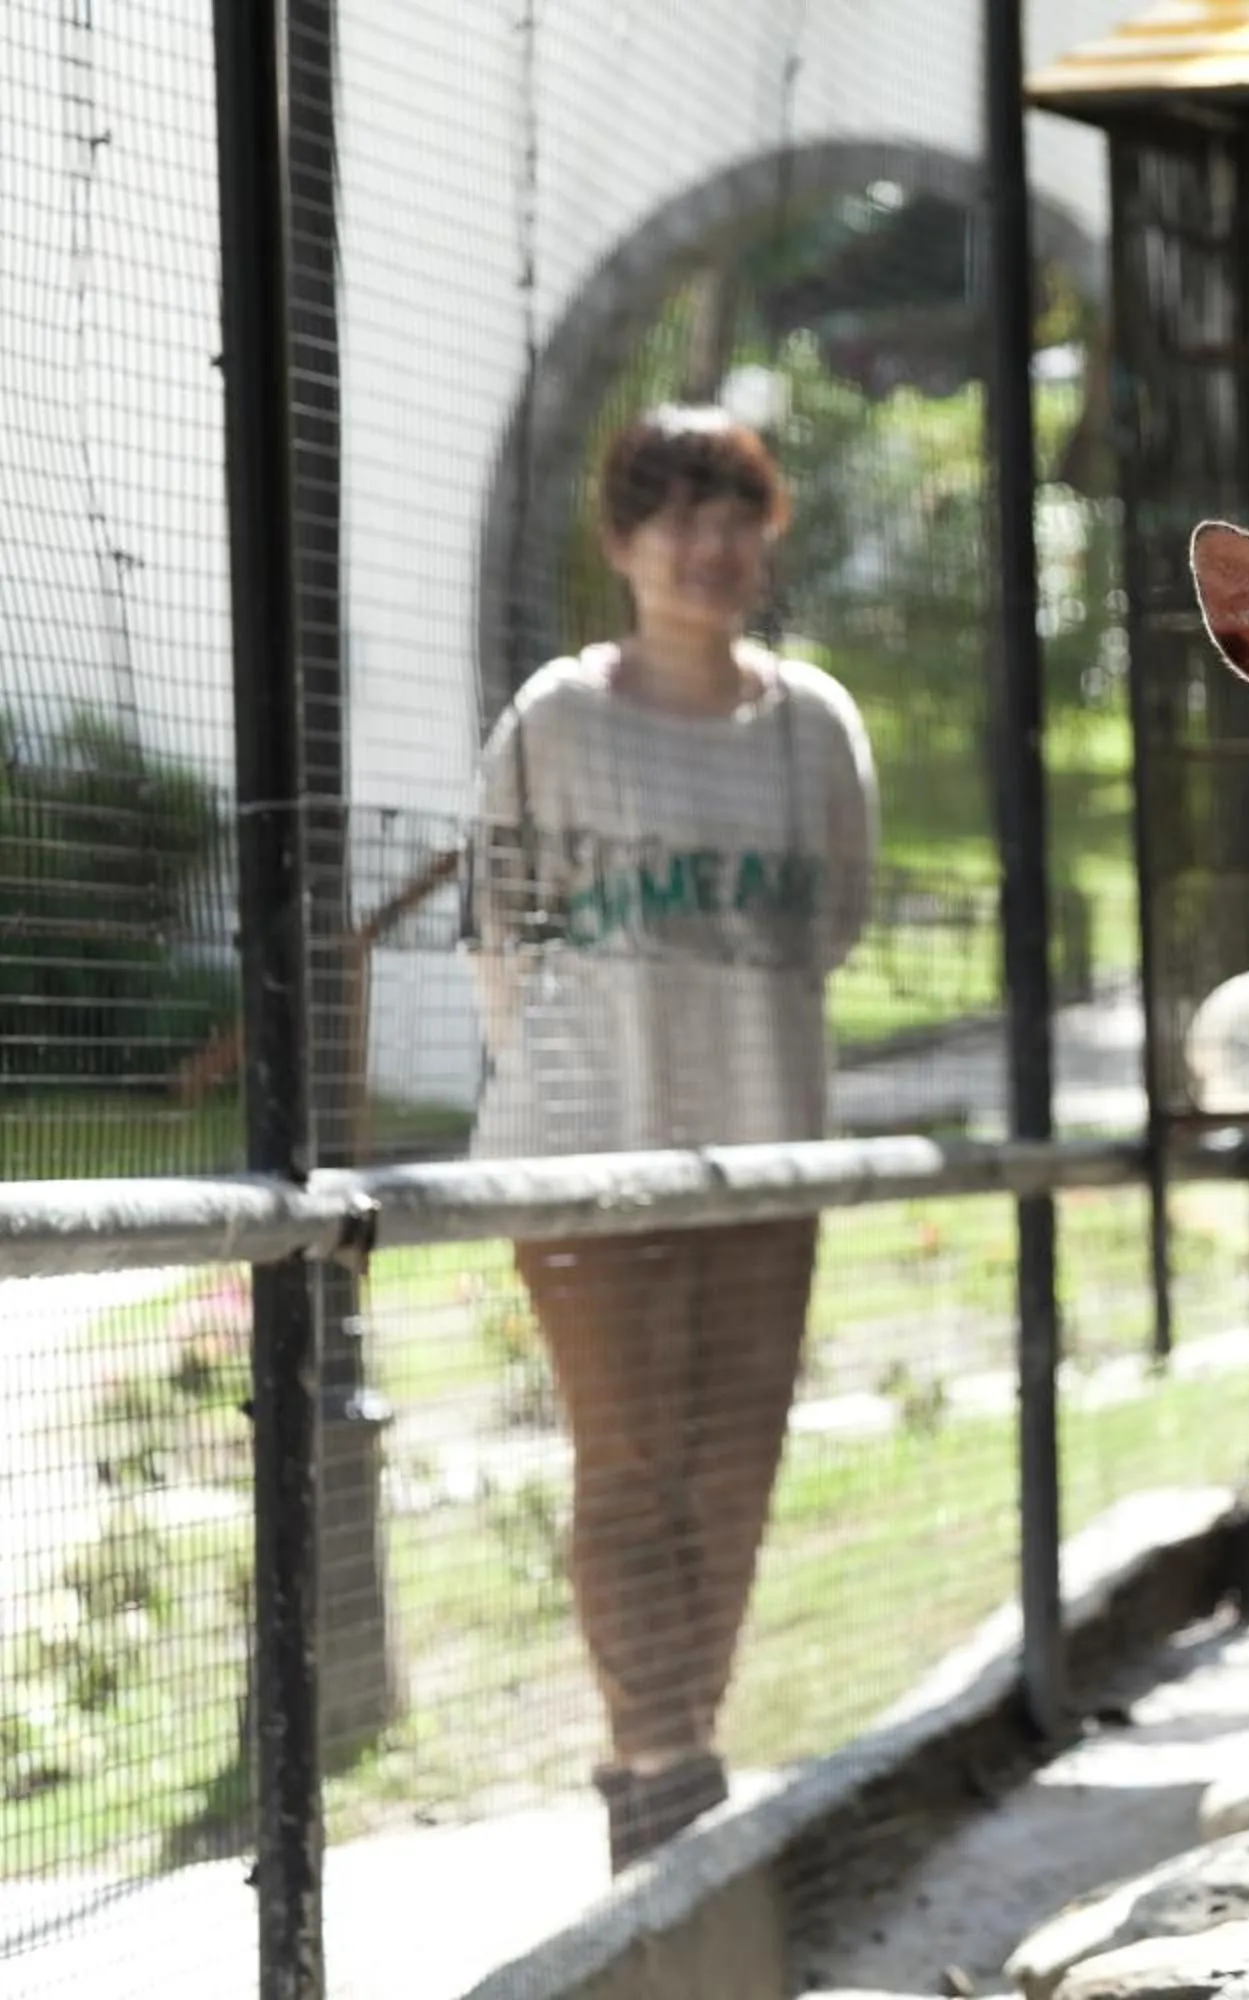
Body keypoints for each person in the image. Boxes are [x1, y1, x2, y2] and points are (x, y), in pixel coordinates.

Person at [465, 405, 877, 1869]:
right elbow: (496, 932)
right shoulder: (560, 719)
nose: (706, 547)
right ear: (622, 545)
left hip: (767, 1152)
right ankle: (660, 1772)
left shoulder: (813, 723)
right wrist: (589, 1089)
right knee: (630, 1461)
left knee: (734, 1461)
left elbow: (831, 920)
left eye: (733, 516)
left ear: (765, 536)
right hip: (584, 1163)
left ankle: (674, 1761)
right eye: (672, 519)